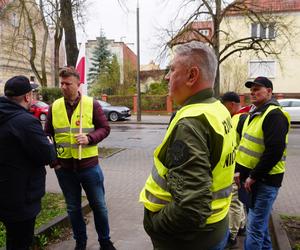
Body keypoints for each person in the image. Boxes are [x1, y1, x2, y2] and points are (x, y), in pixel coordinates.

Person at [139, 41, 236, 250]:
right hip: (215, 229)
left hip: (187, 241)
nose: (167, 76)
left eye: (172, 69)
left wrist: (154, 225)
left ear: (192, 76)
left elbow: (192, 208)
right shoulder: (218, 109)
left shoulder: (191, 122)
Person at [44, 67, 116, 250]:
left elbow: (105, 128)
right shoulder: (55, 107)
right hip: (65, 169)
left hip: (89, 167)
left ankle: (105, 242)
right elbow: (47, 137)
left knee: (99, 206)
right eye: (61, 83)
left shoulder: (92, 104)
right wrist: (54, 163)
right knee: (73, 208)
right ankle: (80, 242)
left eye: (68, 83)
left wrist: (90, 138)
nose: (63, 87)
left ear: (78, 85)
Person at [0, 75, 56, 249]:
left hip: (3, 192)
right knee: (20, 243)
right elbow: (47, 155)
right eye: (33, 94)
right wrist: (49, 145)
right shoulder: (25, 122)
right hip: (21, 197)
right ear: (27, 97)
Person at [235, 76, 290, 250]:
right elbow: (244, 147)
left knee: (254, 229)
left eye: (257, 89)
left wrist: (253, 176)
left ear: (269, 91)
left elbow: (274, 151)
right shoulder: (253, 114)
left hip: (264, 181)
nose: (253, 92)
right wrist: (239, 171)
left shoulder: (274, 115)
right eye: (251, 90)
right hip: (250, 180)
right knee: (260, 227)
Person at [221, 92, 247, 248]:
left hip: (235, 168)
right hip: (238, 167)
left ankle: (232, 235)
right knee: (237, 202)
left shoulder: (238, 119)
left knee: (234, 203)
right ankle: (242, 226)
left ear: (230, 104)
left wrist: (237, 169)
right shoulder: (242, 117)